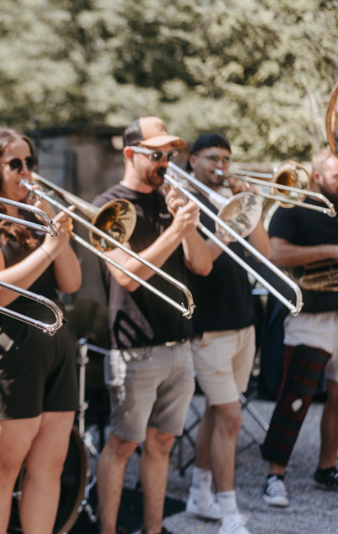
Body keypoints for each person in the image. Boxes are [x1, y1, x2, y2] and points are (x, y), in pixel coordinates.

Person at [0, 127, 81, 534]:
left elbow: (72, 281)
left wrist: (56, 235)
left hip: (54, 340)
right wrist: (48, 249)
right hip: (6, 342)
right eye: (16, 164)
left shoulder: (37, 219)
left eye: (31, 162)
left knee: (50, 465)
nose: (27, 171)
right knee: (3, 467)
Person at [93, 117, 214, 534]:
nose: (165, 163)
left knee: (162, 443)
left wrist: (186, 224)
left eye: (169, 155)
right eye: (156, 154)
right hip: (136, 347)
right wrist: (175, 230)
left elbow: (202, 265)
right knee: (123, 444)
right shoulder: (109, 205)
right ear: (130, 154)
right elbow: (126, 275)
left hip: (179, 343)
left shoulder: (172, 200)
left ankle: (153, 528)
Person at [184, 133, 271, 534]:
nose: (220, 166)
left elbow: (265, 253)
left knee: (217, 414)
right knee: (231, 419)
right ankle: (229, 514)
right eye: (212, 158)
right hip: (210, 326)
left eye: (225, 159)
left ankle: (199, 494)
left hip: (242, 322)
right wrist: (228, 224)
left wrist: (252, 206)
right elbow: (199, 262)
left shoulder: (230, 202)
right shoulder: (186, 204)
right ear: (193, 161)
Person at [260, 146, 338, 507]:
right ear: (317, 177)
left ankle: (326, 468)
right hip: (308, 313)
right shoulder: (293, 206)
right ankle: (275, 473)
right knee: (296, 394)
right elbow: (277, 253)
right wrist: (335, 251)